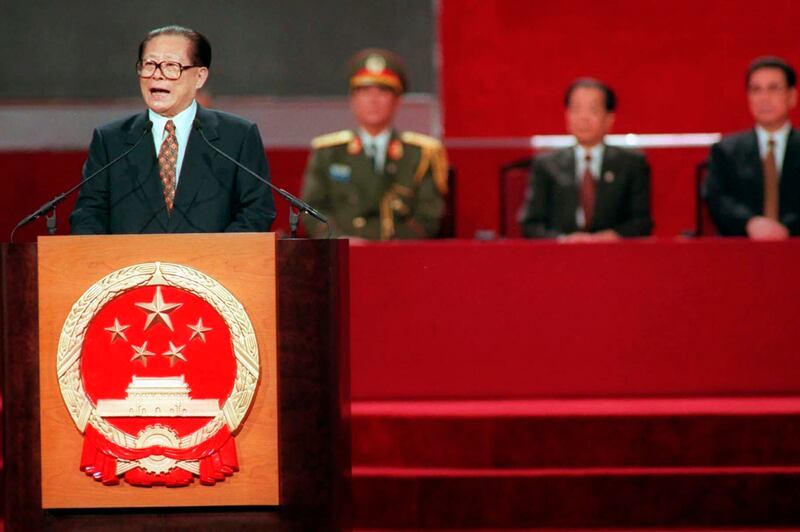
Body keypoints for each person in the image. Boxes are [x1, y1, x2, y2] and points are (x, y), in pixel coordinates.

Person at [70, 25, 275, 234]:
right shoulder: (110, 141)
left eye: (171, 65)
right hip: (132, 266)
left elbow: (256, 212)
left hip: (213, 264)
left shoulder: (237, 136)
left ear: (200, 77)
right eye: (149, 64)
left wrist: (211, 259)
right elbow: (88, 215)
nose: (157, 75)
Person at [301, 48, 448, 239]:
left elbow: (428, 217)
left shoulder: (421, 154)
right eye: (364, 91)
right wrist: (340, 241)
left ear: (397, 100)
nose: (373, 100)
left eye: (383, 91)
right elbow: (312, 211)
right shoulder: (328, 152)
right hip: (342, 256)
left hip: (399, 257)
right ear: (352, 99)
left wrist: (383, 249)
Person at [520, 78, 652, 241]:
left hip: (614, 257)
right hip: (560, 258)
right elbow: (531, 224)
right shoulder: (546, 165)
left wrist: (613, 236)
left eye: (593, 110)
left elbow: (642, 222)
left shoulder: (631, 164)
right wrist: (563, 239)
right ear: (567, 116)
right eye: (576, 109)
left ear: (609, 119)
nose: (584, 118)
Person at [704, 56, 800, 239]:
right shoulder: (726, 151)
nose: (764, 98)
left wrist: (785, 229)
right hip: (743, 250)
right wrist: (750, 223)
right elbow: (718, 199)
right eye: (756, 90)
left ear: (792, 96)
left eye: (773, 88)